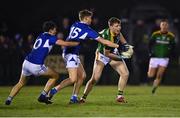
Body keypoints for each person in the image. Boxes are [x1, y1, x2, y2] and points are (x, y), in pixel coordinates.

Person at [47, 9, 119, 103]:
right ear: (85, 18)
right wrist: (116, 45)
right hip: (71, 53)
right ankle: (54, 90)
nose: (91, 20)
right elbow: (103, 41)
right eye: (90, 18)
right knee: (73, 78)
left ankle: (74, 97)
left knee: (82, 76)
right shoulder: (87, 30)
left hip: (70, 52)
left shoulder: (75, 24)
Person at [5, 21, 80, 105]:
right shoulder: (50, 37)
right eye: (55, 30)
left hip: (26, 62)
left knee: (21, 83)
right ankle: (43, 96)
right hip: (35, 65)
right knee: (55, 75)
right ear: (51, 30)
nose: (56, 31)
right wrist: (76, 43)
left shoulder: (41, 35)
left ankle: (9, 99)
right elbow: (64, 43)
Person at [80, 17, 133, 103]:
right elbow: (107, 54)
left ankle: (119, 96)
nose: (119, 28)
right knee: (95, 79)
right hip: (102, 55)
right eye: (116, 26)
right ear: (110, 27)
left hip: (112, 52)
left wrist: (128, 49)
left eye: (119, 26)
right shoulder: (106, 36)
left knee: (125, 73)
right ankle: (83, 97)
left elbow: (124, 43)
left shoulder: (118, 33)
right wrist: (123, 57)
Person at [148, 19, 175, 94]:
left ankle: (154, 89)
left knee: (159, 75)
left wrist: (170, 54)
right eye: (163, 25)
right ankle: (151, 81)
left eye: (166, 25)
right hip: (155, 57)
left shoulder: (171, 36)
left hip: (164, 58)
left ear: (168, 26)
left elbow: (173, 46)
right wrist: (150, 53)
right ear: (160, 26)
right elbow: (150, 44)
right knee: (150, 75)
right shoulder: (155, 34)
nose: (164, 26)